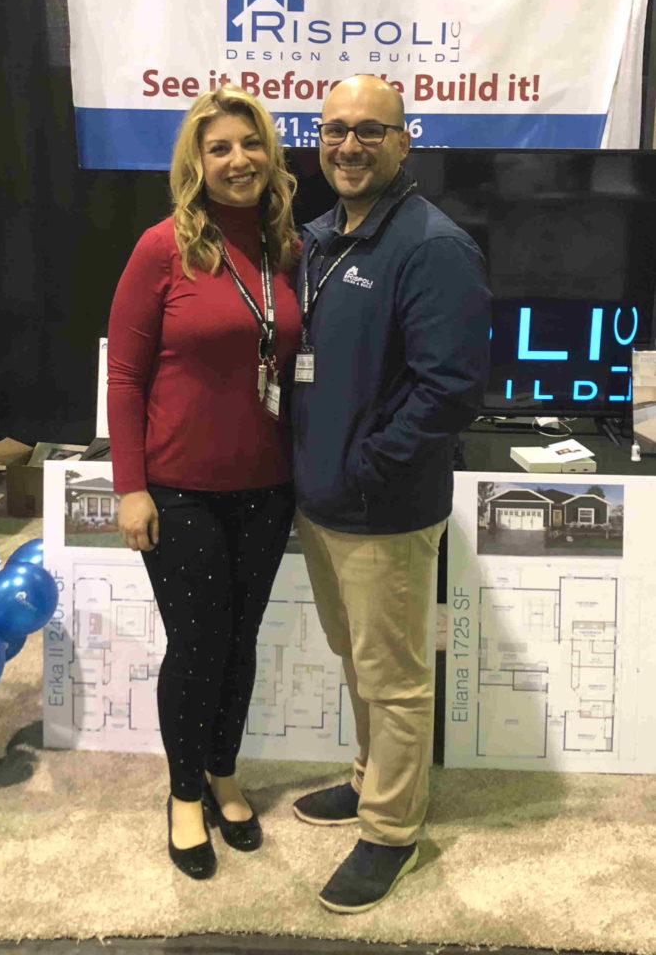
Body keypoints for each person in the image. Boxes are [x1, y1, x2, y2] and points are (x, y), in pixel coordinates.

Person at [291, 74, 491, 913]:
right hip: (321, 498)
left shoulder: (431, 245)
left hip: (381, 506)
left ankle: (390, 833)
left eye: (372, 130)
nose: (349, 144)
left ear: (406, 142)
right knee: (358, 662)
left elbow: (451, 389)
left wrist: (371, 465)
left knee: (397, 678)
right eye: (336, 129)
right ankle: (371, 780)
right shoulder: (318, 238)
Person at [107, 85, 300, 881]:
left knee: (241, 641)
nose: (236, 160)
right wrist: (130, 487)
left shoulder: (285, 248)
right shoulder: (164, 247)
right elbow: (124, 374)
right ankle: (184, 793)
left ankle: (224, 771)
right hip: (179, 487)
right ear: (196, 163)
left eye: (249, 144)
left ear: (269, 156)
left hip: (267, 485)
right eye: (218, 148)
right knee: (198, 642)